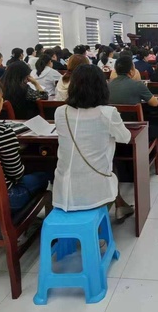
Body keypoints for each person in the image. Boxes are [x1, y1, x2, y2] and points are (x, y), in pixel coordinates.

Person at [52, 64, 133, 221]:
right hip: (95, 189)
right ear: (102, 86)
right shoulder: (107, 113)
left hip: (64, 189)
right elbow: (126, 137)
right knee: (111, 166)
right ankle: (117, 208)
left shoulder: (60, 112)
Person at [0, 78, 49, 211]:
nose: (3, 101)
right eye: (1, 98)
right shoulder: (2, 132)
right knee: (42, 177)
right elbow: (16, 174)